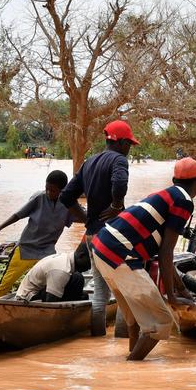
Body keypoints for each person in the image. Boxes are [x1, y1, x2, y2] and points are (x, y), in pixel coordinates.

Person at [91, 158, 196, 360]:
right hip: (121, 255)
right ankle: (131, 366)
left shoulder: (164, 195)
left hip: (101, 250)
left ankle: (130, 380)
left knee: (135, 319)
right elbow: (166, 252)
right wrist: (172, 296)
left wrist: (181, 289)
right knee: (161, 321)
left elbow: (163, 253)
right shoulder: (184, 200)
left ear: (174, 180)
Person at [60, 119, 134, 336]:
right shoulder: (119, 160)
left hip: (92, 235)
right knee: (123, 292)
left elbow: (66, 196)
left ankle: (97, 341)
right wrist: (117, 205)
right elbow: (120, 183)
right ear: (120, 142)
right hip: (114, 233)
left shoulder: (89, 162)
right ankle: (122, 343)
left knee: (100, 293)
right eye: (128, 143)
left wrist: (85, 217)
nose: (129, 148)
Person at [0, 170, 78, 298]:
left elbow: (82, 217)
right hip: (26, 248)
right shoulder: (39, 198)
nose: (48, 192)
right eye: (47, 188)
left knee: (50, 283)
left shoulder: (68, 203)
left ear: (62, 190)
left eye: (52, 190)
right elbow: (18, 215)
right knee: (5, 284)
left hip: (47, 251)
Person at [15, 242, 90, 303]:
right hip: (27, 298)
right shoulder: (61, 269)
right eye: (91, 261)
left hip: (39, 291)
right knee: (78, 279)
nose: (91, 266)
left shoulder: (66, 259)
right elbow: (51, 302)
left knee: (79, 283)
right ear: (81, 256)